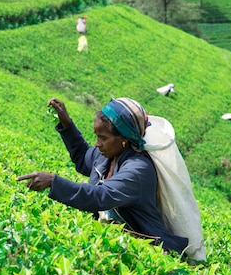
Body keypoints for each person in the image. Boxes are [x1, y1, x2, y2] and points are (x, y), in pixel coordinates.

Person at [16, 97, 189, 256]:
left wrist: (54, 182)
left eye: (102, 138)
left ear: (124, 139)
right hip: (118, 243)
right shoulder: (107, 155)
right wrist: (67, 125)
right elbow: (83, 157)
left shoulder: (138, 170)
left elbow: (100, 196)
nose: (97, 144)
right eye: (96, 136)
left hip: (148, 249)